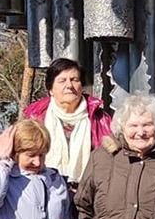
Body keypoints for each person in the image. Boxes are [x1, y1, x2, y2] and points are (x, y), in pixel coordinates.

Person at [23, 57, 114, 186]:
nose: (69, 86)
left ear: (81, 86)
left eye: (74, 80)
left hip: (89, 191)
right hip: (45, 189)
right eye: (62, 81)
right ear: (50, 90)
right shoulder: (35, 119)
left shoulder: (100, 119)